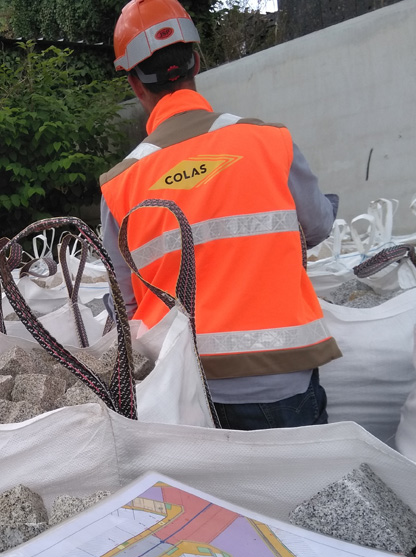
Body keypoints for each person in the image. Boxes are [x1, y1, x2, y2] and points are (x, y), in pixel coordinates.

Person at [100, 0, 341, 431]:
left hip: (183, 392)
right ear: (197, 59)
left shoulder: (121, 184)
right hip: (281, 380)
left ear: (135, 84)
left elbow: (126, 302)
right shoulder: (268, 142)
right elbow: (319, 225)